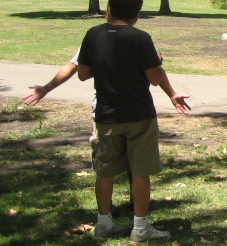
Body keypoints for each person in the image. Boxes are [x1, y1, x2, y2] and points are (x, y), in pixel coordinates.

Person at [77, 0, 191, 243]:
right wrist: (154, 61)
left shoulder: (93, 35)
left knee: (105, 171)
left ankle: (104, 224)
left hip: (106, 114)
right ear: (137, 13)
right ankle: (140, 228)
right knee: (140, 171)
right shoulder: (140, 38)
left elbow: (83, 74)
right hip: (139, 115)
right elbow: (153, 78)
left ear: (109, 8)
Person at [24, 46, 185, 212]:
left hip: (131, 111)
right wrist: (46, 88)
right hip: (109, 113)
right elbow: (73, 66)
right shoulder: (100, 39)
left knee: (134, 163)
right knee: (107, 165)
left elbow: (155, 72)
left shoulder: (135, 39)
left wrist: (170, 91)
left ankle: (133, 205)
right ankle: (108, 212)